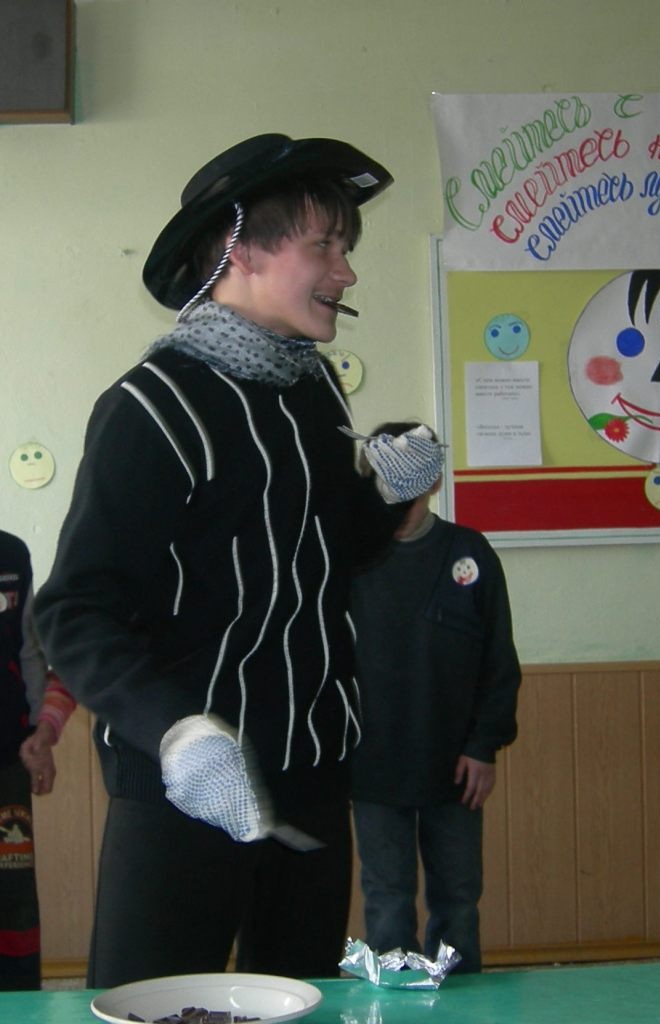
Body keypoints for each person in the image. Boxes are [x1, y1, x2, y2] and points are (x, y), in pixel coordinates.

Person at [35, 134, 442, 987]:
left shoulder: (313, 388)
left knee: (300, 1000)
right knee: (149, 1005)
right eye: (323, 246)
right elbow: (74, 609)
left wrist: (386, 494)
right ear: (240, 249)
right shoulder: (151, 406)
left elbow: (331, 553)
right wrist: (174, 732)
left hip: (312, 771)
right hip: (185, 780)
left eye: (345, 247)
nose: (346, 272)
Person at [350, 422, 521, 973]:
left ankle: (461, 998)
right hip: (373, 763)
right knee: (387, 899)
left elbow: (498, 660)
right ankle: (395, 1000)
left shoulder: (469, 552)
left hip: (456, 765)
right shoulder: (350, 557)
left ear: (433, 483)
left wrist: (484, 746)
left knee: (458, 899)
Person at [0, 530, 76, 990]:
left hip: (7, 760)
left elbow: (30, 651)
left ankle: (18, 1001)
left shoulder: (11, 555)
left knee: (13, 896)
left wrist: (39, 738)